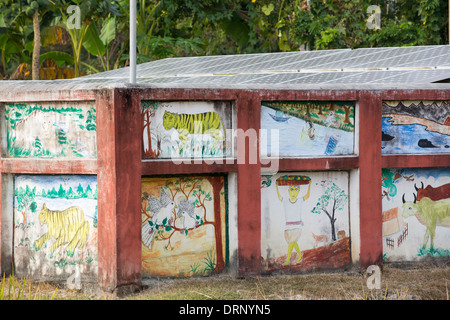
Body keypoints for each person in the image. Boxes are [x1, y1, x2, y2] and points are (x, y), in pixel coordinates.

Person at [276, 179, 311, 265]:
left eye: (295, 190)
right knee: (293, 242)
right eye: (291, 190)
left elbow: (307, 195)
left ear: (298, 191)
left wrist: (309, 185)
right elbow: (279, 196)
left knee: (291, 243)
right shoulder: (285, 200)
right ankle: (299, 255)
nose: (293, 192)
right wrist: (276, 186)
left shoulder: (300, 200)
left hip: (297, 226)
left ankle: (288, 260)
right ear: (288, 191)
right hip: (288, 226)